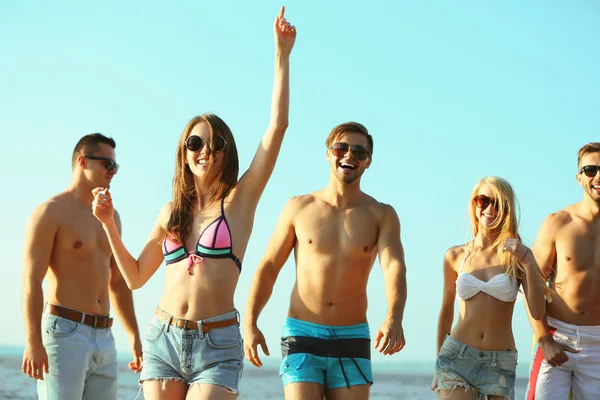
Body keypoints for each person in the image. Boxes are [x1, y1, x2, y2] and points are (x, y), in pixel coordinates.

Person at [91, 7, 296, 399]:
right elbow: (134, 277)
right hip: (162, 339)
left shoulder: (239, 202)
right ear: (184, 153)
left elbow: (277, 129)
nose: (204, 151)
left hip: (216, 344)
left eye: (214, 144)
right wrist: (107, 224)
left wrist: (281, 56)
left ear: (226, 152)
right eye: (195, 143)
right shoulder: (171, 212)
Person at [244, 122, 408, 400]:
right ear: (328, 153)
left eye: (359, 151)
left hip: (352, 336)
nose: (349, 155)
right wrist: (250, 322)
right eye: (340, 148)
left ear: (368, 162)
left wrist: (394, 317)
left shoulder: (381, 214)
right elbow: (269, 266)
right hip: (301, 332)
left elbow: (394, 267)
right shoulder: (299, 207)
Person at [21, 133, 143, 400]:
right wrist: (33, 342)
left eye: (115, 166)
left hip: (105, 336)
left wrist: (133, 334)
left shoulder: (111, 217)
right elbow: (32, 280)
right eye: (107, 164)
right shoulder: (50, 212)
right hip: (65, 333)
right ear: (82, 161)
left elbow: (119, 282)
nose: (113, 171)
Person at [432, 176, 548, 400]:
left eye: (498, 203)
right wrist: (438, 365)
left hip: (500, 363)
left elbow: (537, 311)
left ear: (507, 210)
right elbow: (446, 312)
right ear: (474, 204)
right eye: (483, 200)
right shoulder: (455, 256)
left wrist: (529, 262)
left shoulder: (518, 256)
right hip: (456, 356)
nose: (490, 208)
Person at [525, 142, 600, 400]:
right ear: (579, 178)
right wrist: (544, 339)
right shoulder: (558, 222)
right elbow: (531, 285)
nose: (598, 176)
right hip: (557, 337)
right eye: (590, 170)